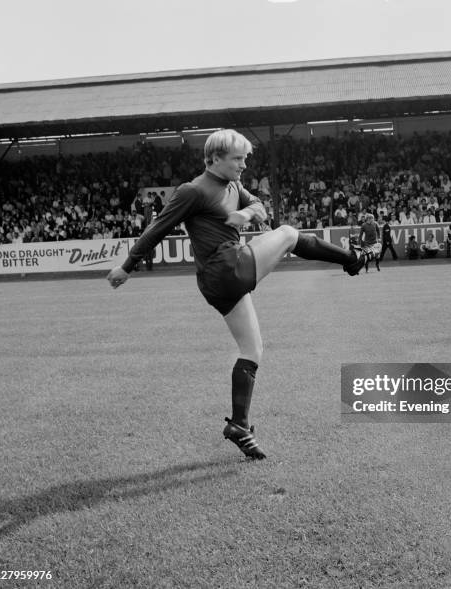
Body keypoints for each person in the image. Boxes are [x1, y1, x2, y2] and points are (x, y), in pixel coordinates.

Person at [106, 130, 375, 460]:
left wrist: (247, 213)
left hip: (221, 279)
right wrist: (127, 267)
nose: (244, 164)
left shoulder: (234, 185)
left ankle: (240, 426)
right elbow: (157, 228)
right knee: (289, 234)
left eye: (246, 158)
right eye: (238, 158)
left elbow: (258, 204)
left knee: (253, 350)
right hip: (225, 268)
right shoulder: (192, 190)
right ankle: (353, 259)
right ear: (214, 158)